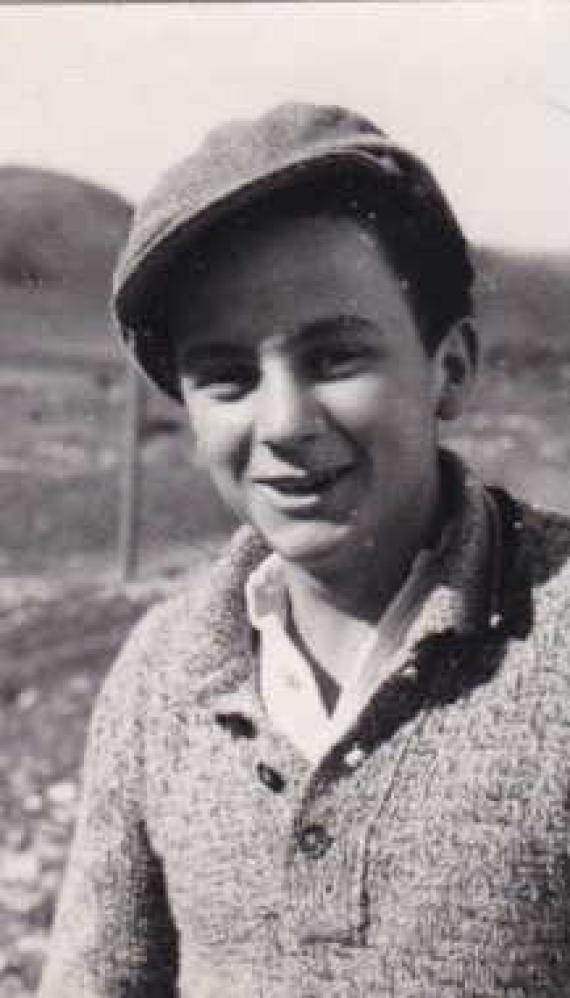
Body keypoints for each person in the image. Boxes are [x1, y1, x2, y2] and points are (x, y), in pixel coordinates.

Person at [40, 103, 570, 997]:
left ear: (451, 368)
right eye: (229, 378)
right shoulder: (162, 675)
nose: (284, 424)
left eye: (334, 358)